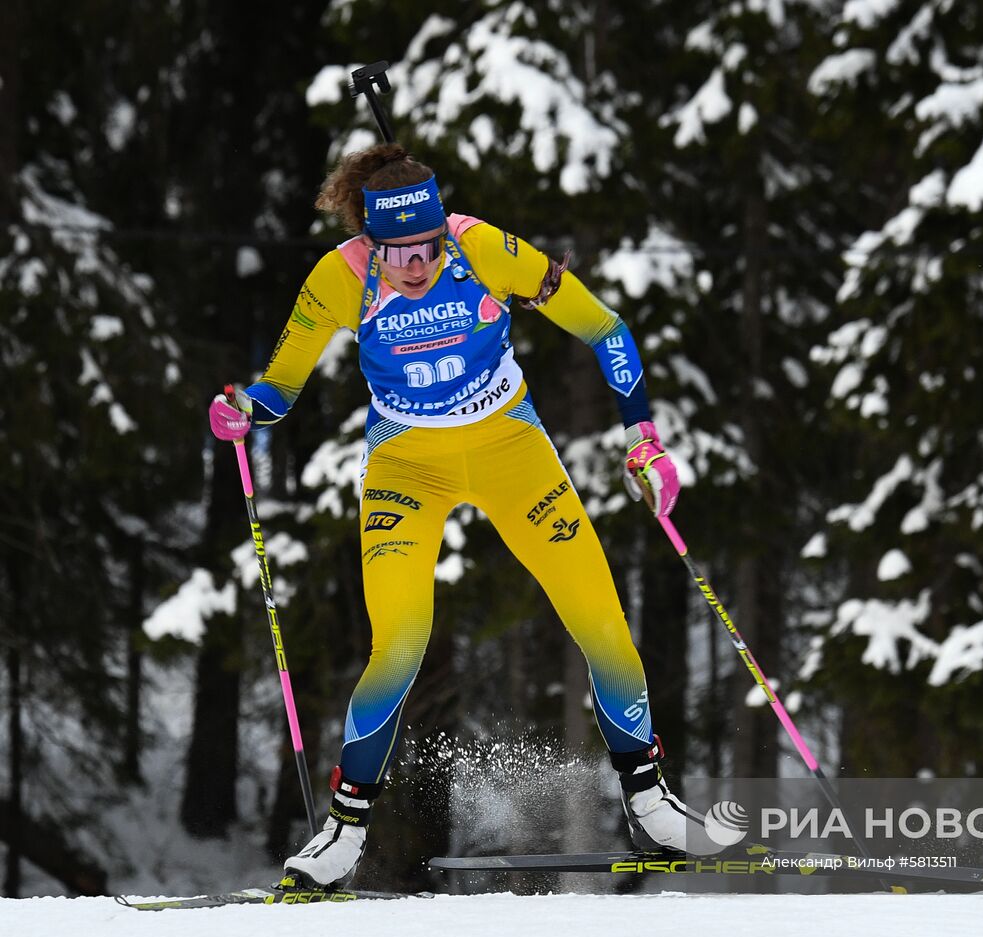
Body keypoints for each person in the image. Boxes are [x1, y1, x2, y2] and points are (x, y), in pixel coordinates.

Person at [208, 144, 705, 889]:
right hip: (407, 466)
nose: (417, 265)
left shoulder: (486, 250)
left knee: (601, 620)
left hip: (512, 450)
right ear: (369, 244)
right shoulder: (339, 280)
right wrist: (243, 410)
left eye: (429, 247)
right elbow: (279, 387)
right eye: (399, 252)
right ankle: (344, 832)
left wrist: (643, 441)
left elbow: (607, 330)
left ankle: (651, 800)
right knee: (400, 644)